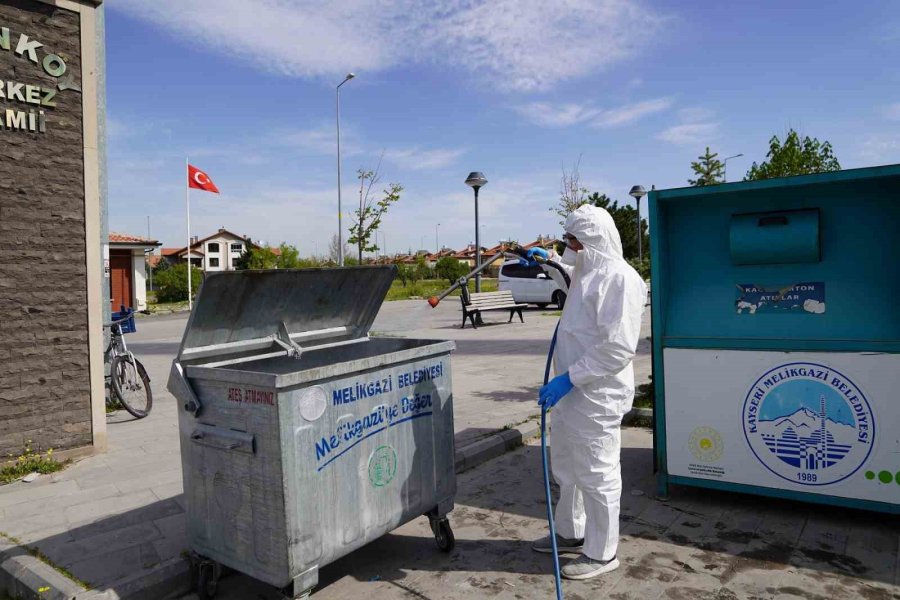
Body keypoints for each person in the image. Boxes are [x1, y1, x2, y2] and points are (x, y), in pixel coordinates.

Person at [527, 204, 647, 580]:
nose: (571, 249)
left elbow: (617, 347)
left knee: (597, 472)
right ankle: (571, 531)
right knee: (567, 467)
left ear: (595, 241)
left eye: (575, 242)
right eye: (568, 241)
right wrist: (548, 260)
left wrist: (569, 378)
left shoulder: (622, 280)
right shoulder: (587, 270)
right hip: (571, 393)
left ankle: (602, 552)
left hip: (597, 395)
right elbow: (570, 277)